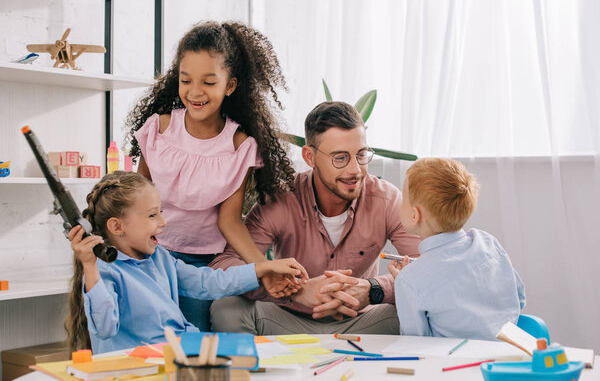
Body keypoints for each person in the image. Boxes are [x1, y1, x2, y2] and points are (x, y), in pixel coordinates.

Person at [126, 21, 305, 329]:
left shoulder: (239, 147)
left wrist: (263, 268)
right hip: (149, 253)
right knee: (147, 340)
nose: (195, 92)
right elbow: (134, 199)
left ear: (230, 85)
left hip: (203, 264)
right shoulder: (160, 129)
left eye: (209, 82)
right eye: (186, 81)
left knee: (194, 343)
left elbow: (230, 220)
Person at [210, 101, 421, 335]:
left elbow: (428, 265)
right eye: (340, 158)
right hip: (289, 321)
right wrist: (297, 291)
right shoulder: (282, 199)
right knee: (226, 308)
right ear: (310, 157)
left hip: (361, 323)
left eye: (361, 155)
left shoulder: (386, 199)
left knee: (420, 308)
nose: (355, 170)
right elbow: (224, 265)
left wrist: (373, 290)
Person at [64, 171, 308, 353]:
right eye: (152, 215)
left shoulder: (160, 258)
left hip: (178, 352)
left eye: (160, 212)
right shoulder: (104, 272)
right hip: (142, 367)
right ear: (117, 226)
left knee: (262, 352)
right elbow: (105, 328)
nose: (163, 222)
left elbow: (208, 282)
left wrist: (263, 267)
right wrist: (90, 267)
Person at [388, 158, 525, 340]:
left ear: (415, 215)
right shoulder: (487, 242)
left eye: (403, 198)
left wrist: (408, 285)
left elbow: (416, 342)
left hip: (452, 364)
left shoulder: (408, 281)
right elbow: (519, 298)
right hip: (509, 355)